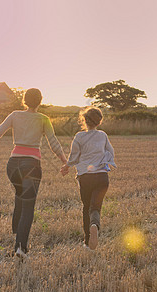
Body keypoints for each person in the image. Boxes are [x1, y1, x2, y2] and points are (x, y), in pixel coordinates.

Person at [0, 88, 67, 258]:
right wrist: (65, 161)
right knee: (28, 206)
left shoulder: (15, 115)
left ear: (24, 100)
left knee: (20, 195)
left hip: (13, 166)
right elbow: (53, 143)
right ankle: (21, 247)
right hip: (32, 166)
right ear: (40, 101)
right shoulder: (44, 119)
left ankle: (16, 229)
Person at [61, 107, 116, 250]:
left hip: (85, 177)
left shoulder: (79, 136)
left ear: (84, 120)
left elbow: (73, 157)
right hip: (102, 177)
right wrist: (105, 162)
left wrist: (66, 166)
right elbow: (111, 152)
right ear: (99, 122)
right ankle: (95, 225)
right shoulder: (103, 135)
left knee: (86, 208)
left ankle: (87, 242)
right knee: (95, 208)